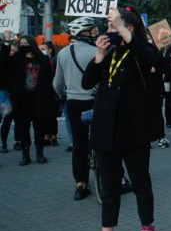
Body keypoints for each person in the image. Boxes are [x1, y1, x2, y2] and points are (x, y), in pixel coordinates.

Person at [81, 6, 162, 231]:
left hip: (134, 130)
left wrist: (122, 28)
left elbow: (151, 58)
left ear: (130, 28)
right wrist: (99, 54)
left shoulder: (140, 51)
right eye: (108, 27)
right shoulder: (109, 52)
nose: (109, 31)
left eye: (113, 26)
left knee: (141, 184)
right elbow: (86, 83)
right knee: (109, 188)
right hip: (106, 131)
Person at [53, 17, 100, 199]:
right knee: (103, 139)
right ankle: (117, 178)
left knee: (79, 144)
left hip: (73, 103)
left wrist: (63, 94)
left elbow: (57, 83)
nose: (96, 33)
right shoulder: (97, 51)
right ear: (83, 33)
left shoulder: (63, 54)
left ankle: (80, 184)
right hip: (94, 101)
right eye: (93, 30)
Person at [0, 32, 55, 166]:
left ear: (32, 44)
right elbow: (3, 62)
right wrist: (6, 42)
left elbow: (49, 79)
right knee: (23, 128)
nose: (23, 45)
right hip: (21, 100)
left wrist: (51, 98)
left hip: (39, 99)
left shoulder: (42, 59)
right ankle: (26, 155)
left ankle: (40, 153)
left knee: (39, 127)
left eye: (26, 43)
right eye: (21, 44)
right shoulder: (17, 58)